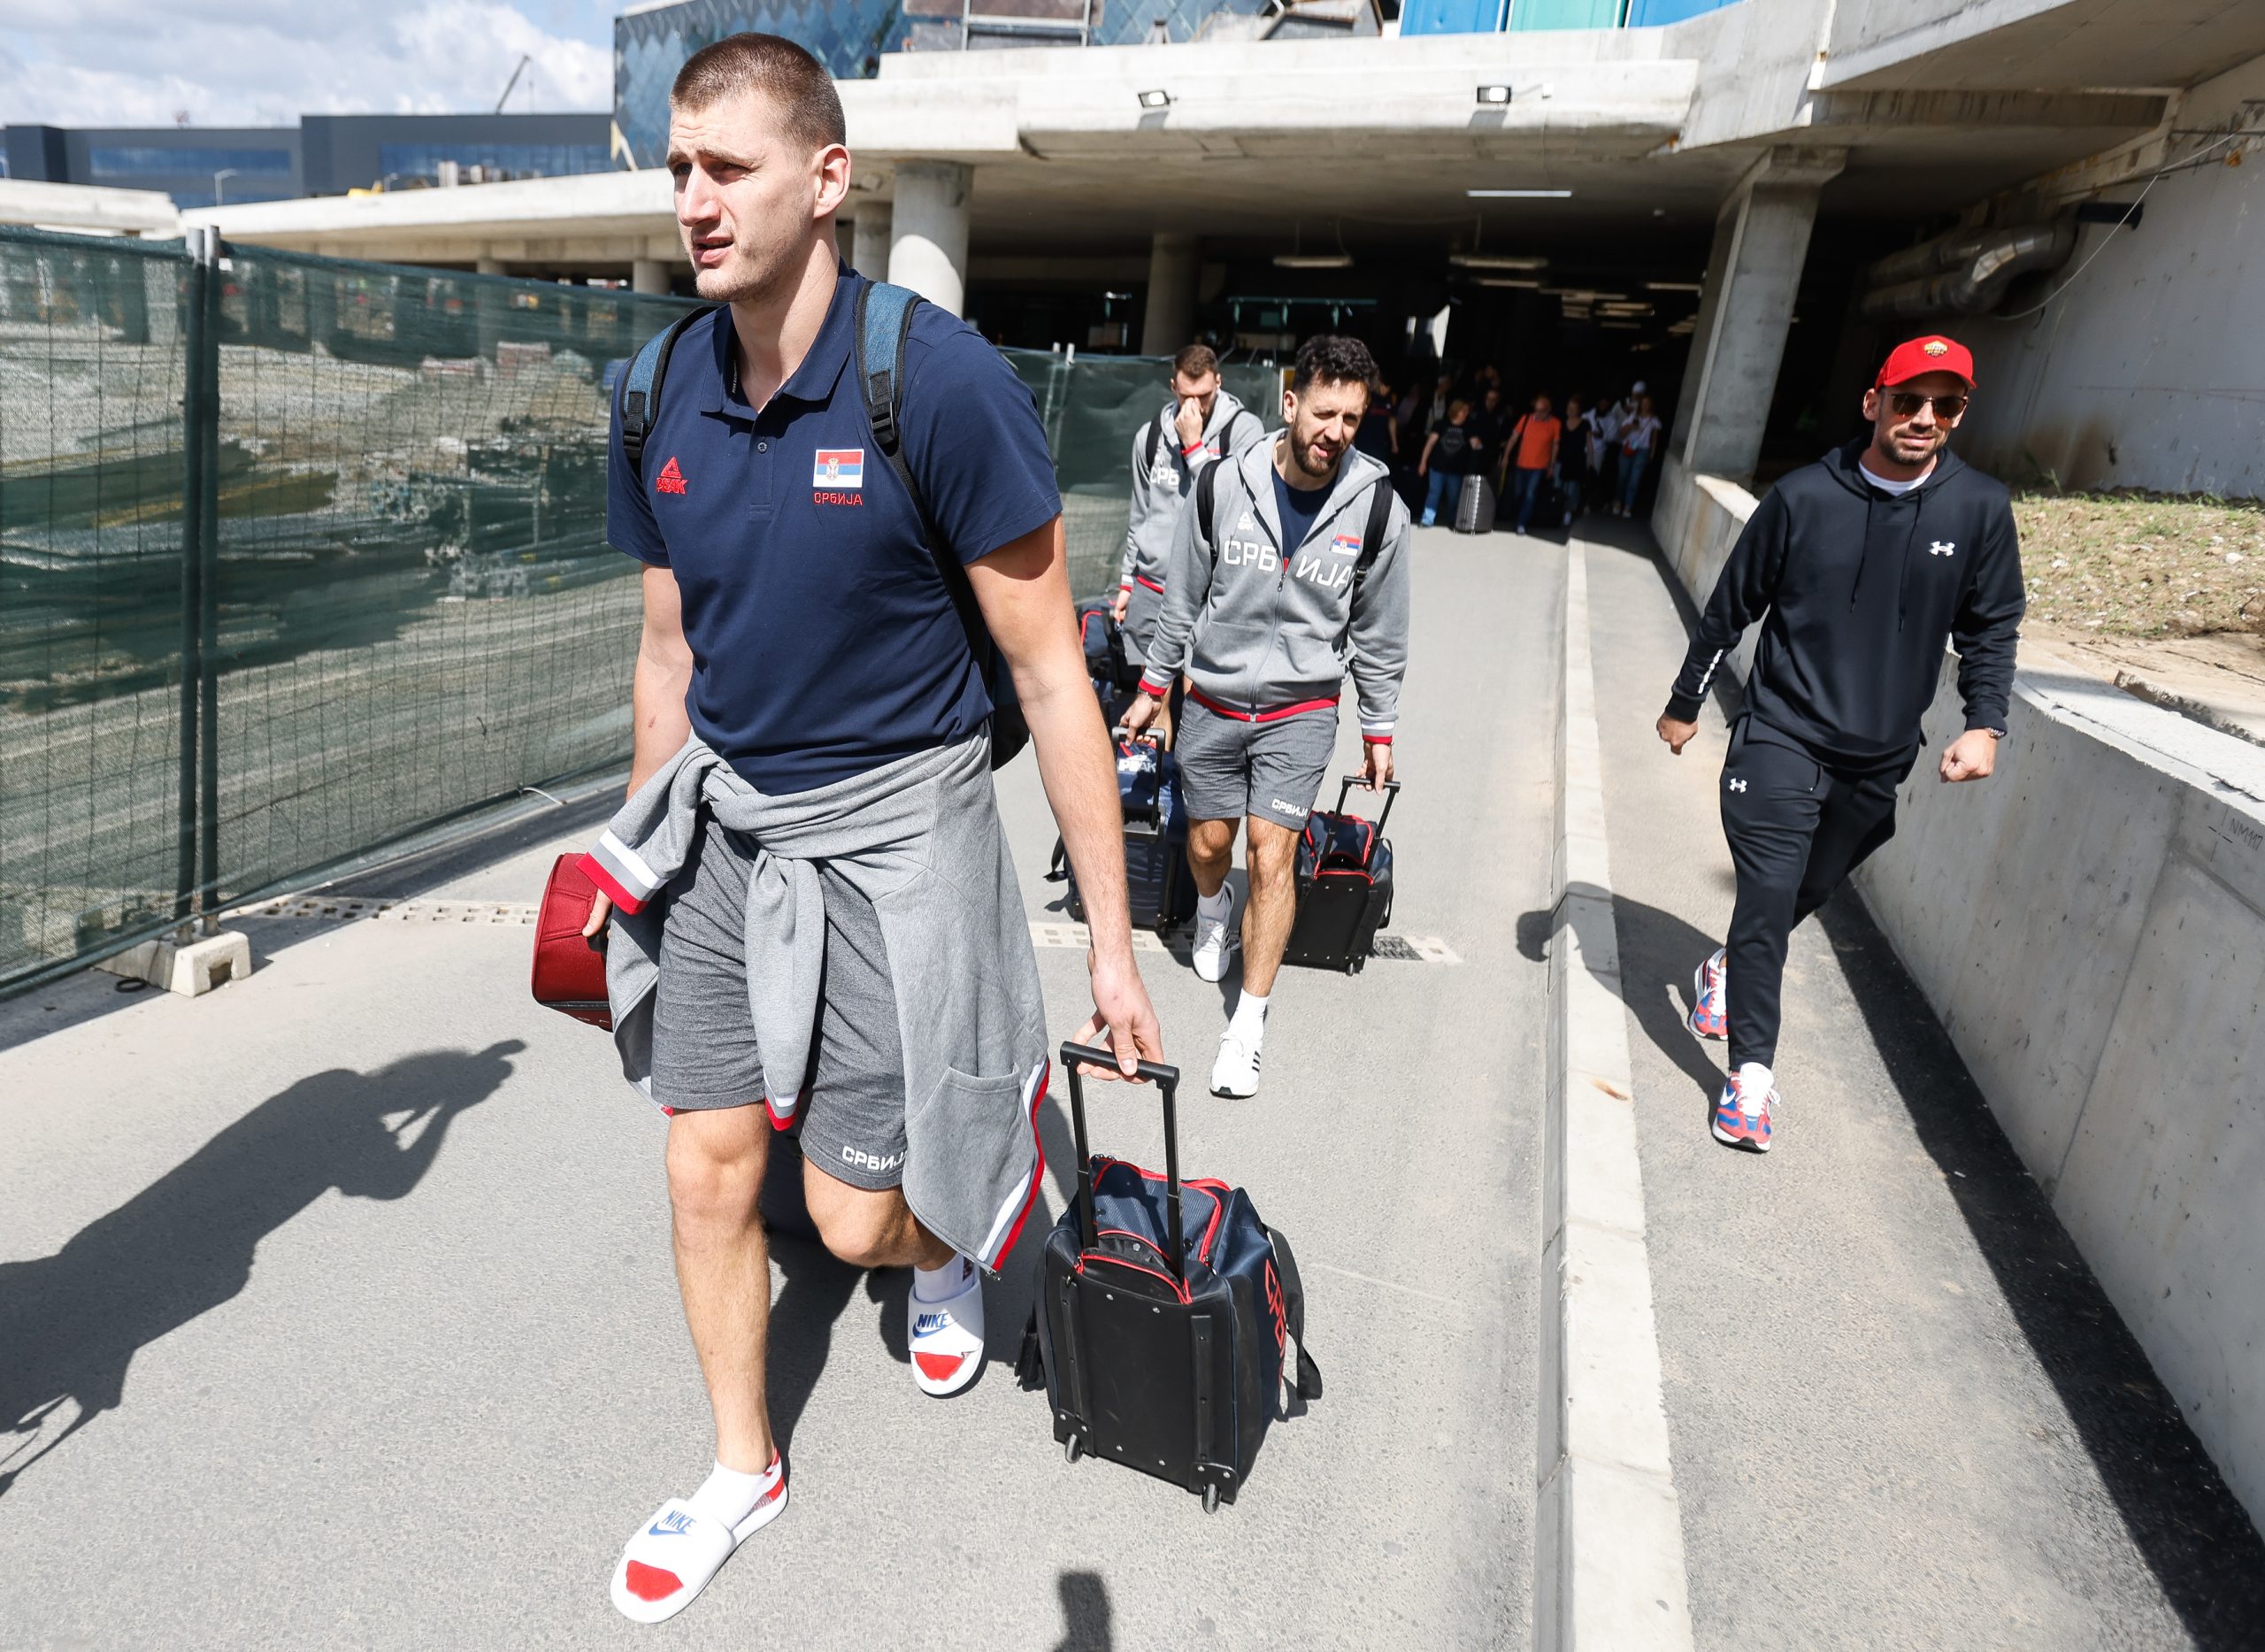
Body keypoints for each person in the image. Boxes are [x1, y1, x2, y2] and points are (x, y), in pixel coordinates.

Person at [580, 35, 1163, 1625]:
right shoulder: (655, 391)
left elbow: (1051, 677)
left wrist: (1106, 945)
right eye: (680, 167)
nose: (694, 199)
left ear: (827, 178)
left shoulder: (939, 382)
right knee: (706, 1168)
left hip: (901, 827)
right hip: (726, 830)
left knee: (848, 1214)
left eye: (729, 166)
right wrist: (634, 862)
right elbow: (666, 650)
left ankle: (957, 1234)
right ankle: (738, 1466)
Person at [1656, 334, 2023, 1153]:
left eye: (1946, 405)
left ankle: (1724, 972)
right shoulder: (1802, 497)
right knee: (1766, 893)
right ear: (1873, 403)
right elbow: (1730, 607)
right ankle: (1750, 1079)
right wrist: (1686, 702)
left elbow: (1992, 626)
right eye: (1907, 400)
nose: (1924, 417)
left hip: (1877, 757)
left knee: (1799, 896)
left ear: (1960, 414)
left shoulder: (1979, 510)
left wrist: (1984, 721)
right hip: (1780, 736)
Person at [1121, 334, 1412, 1097]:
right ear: (1290, 403)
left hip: (1303, 710)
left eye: (1352, 419)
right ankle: (1214, 906)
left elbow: (1381, 633)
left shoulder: (1378, 509)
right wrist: (1155, 687)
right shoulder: (1222, 485)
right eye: (1324, 413)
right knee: (1212, 846)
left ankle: (1247, 1025)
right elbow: (1182, 598)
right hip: (1211, 702)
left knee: (1272, 853)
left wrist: (1377, 728)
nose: (1337, 433)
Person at [1113, 343, 1264, 696]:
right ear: (1173, 388)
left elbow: (1238, 509)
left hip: (1211, 595)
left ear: (1219, 383)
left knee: (1197, 704)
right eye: (1186, 397)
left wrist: (1194, 448)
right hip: (1153, 587)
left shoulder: (1243, 432)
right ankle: (1156, 753)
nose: (1194, 406)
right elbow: (1140, 515)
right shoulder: (1150, 437)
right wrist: (1126, 582)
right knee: (1152, 699)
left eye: (1205, 396)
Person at [1503, 392, 1562, 536]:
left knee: (1530, 494)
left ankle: (1521, 523)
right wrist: (1506, 456)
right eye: (1536, 410)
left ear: (1548, 410)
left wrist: (1552, 465)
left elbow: (1555, 445)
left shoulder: (1555, 424)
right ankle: (1517, 517)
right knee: (1518, 493)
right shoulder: (1526, 419)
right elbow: (1514, 438)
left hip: (1539, 466)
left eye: (1541, 411)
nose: (1538, 414)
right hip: (1521, 463)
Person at [1416, 397, 1478, 527]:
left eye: (1467, 411)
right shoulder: (1441, 424)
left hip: (1456, 469)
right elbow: (1430, 444)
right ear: (1456, 411)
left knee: (1454, 496)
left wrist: (1478, 444)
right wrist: (1423, 462)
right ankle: (1427, 519)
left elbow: (1475, 444)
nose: (1466, 413)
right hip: (1437, 467)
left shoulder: (1468, 427)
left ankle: (1452, 519)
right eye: (1464, 411)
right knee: (1434, 493)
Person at [1613, 394, 1662, 518]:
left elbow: (1654, 438)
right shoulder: (1632, 417)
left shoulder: (1654, 420)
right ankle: (1618, 502)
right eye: (1643, 403)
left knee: (1634, 479)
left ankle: (1628, 506)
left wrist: (1652, 453)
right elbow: (1621, 433)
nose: (1645, 406)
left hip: (1642, 450)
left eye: (1647, 404)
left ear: (1651, 405)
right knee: (1623, 476)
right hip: (1628, 447)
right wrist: (1631, 426)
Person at [1558, 394, 1593, 526]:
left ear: (1579, 410)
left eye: (1574, 408)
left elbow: (1589, 443)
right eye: (1569, 407)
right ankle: (1557, 509)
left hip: (1577, 460)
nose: (1570, 410)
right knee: (1558, 486)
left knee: (1572, 489)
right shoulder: (1562, 421)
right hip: (1561, 459)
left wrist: (1591, 461)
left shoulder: (1585, 424)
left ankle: (1568, 511)